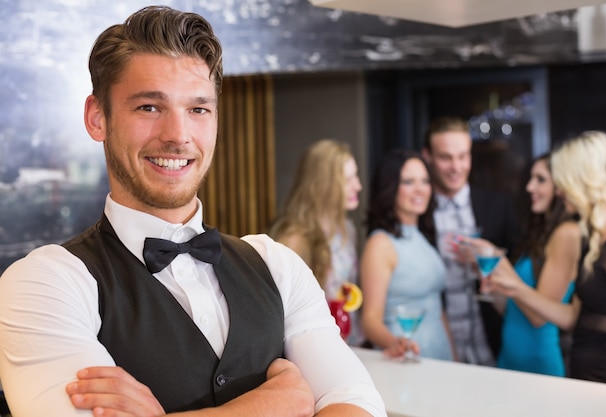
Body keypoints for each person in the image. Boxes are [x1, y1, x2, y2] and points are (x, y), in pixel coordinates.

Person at [0, 6, 386, 417]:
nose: (177, 135)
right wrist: (270, 406)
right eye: (149, 107)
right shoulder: (44, 283)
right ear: (98, 118)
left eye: (198, 109)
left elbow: (358, 406)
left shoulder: (278, 265)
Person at [488, 131, 606, 386]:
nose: (559, 191)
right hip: (584, 378)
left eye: (561, 180)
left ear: (583, 179)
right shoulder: (590, 238)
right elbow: (573, 318)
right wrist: (514, 287)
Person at [421, 116, 520, 365]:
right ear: (428, 157)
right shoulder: (418, 213)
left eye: (463, 156)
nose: (457, 166)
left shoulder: (499, 205)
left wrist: (490, 262)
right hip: (438, 346)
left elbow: (520, 269)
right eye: (446, 157)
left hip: (494, 342)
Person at [481, 153, 581, 376]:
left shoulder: (567, 233)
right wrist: (493, 286)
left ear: (561, 186)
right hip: (509, 357)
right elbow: (513, 308)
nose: (529, 187)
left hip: (537, 362)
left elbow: (538, 318)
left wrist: (498, 262)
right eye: (530, 178)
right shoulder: (540, 233)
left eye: (540, 179)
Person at [360, 149, 455, 361]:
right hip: (406, 357)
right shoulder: (380, 244)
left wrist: (454, 357)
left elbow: (437, 308)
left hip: (441, 354)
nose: (420, 189)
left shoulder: (424, 237)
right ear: (391, 187)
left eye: (425, 181)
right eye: (409, 182)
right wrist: (396, 344)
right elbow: (370, 320)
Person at [270, 139, 363, 344]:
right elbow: (282, 312)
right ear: (323, 185)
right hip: (314, 346)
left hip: (350, 342)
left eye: (355, 176)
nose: (358, 186)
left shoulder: (346, 229)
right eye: (347, 180)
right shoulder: (294, 239)